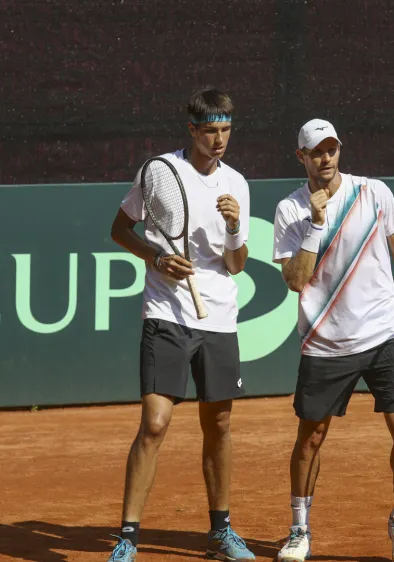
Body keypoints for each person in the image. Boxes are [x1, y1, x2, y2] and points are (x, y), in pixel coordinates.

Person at [271, 119, 394, 562]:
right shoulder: (290, 210)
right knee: (311, 439)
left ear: (339, 150)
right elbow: (294, 281)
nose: (325, 159)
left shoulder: (374, 192)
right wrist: (315, 223)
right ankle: (299, 530)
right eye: (315, 152)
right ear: (300, 157)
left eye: (331, 149)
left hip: (383, 334)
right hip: (326, 343)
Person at [105, 88, 256, 561]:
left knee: (221, 424)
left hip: (219, 317)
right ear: (192, 129)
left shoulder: (238, 184)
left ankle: (221, 532)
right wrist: (157, 256)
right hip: (166, 314)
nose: (219, 140)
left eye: (226, 130)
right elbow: (119, 229)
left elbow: (236, 265)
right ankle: (127, 538)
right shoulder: (160, 172)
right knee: (155, 423)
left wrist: (234, 227)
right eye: (210, 130)